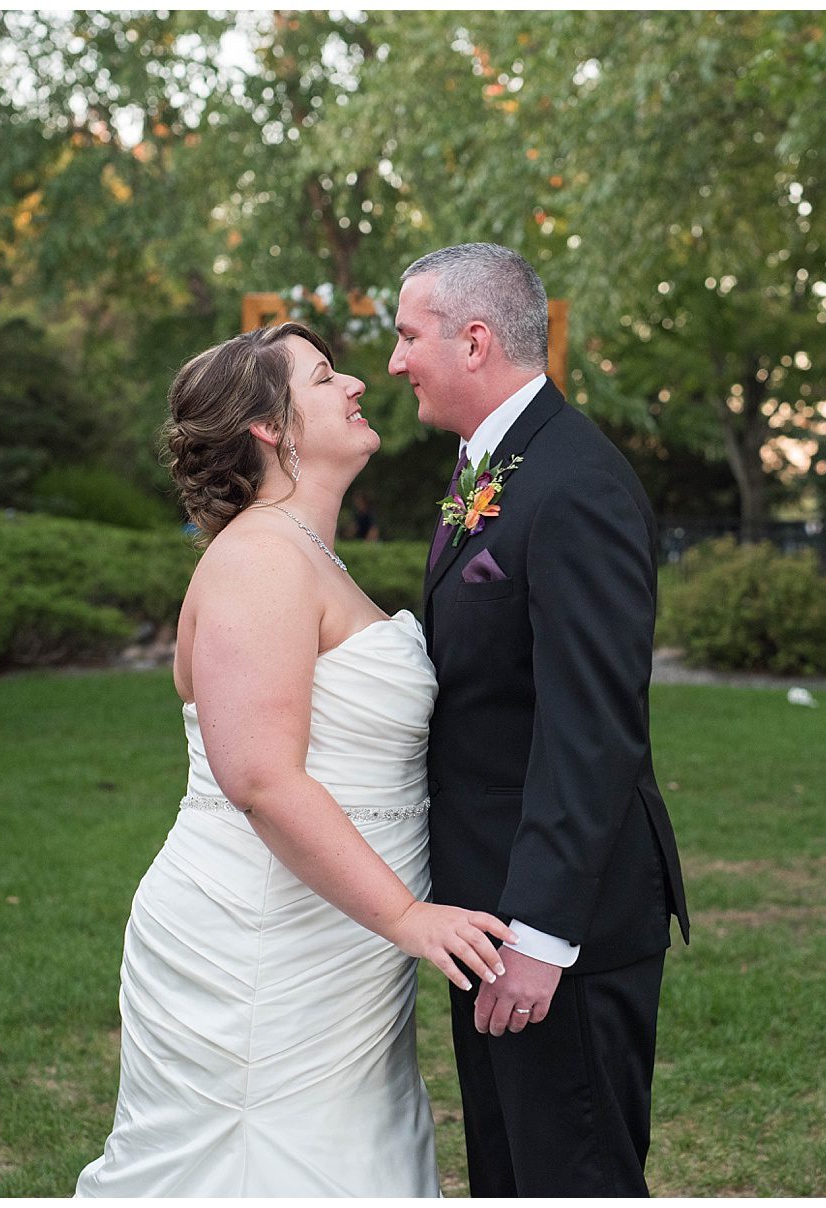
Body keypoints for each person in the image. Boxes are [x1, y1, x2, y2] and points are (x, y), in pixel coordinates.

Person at [76, 321, 513, 1197]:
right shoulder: (258, 560)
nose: (355, 384)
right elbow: (261, 778)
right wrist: (407, 916)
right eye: (322, 378)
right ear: (269, 426)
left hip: (335, 938)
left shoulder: (304, 553)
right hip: (261, 940)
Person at [389, 243, 691, 1196]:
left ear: (474, 341)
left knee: (573, 1177)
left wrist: (541, 935)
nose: (395, 362)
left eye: (408, 336)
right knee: (509, 1176)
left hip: (558, 927)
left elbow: (591, 726)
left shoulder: (575, 482)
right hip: (490, 910)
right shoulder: (497, 464)